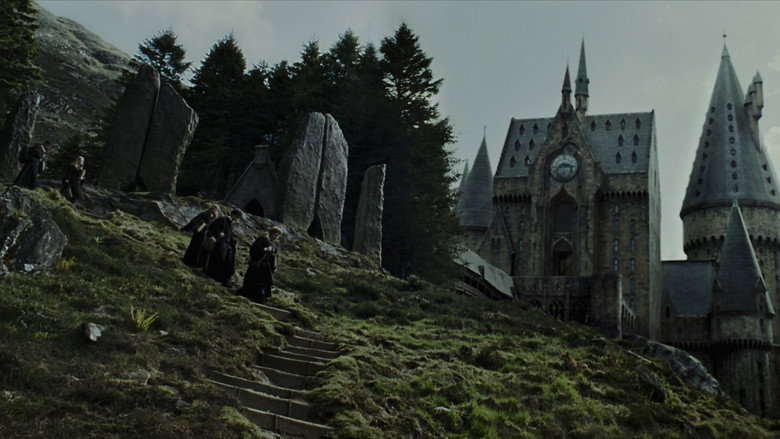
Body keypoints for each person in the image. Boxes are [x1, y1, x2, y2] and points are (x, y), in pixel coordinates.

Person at [238, 226, 283, 303]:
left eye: (278, 236)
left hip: (265, 269)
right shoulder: (262, 239)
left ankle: (259, 298)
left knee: (262, 285)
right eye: (275, 235)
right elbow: (254, 249)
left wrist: (274, 267)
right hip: (257, 266)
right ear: (271, 233)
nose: (276, 237)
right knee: (252, 282)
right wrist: (264, 249)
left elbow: (274, 257)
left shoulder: (274, 246)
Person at [204, 209, 242, 286]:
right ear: (233, 215)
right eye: (237, 217)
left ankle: (224, 279)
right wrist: (219, 232)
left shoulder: (231, 223)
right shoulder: (223, 219)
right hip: (220, 242)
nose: (237, 219)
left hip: (227, 245)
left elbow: (229, 236)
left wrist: (233, 245)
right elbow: (212, 226)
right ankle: (213, 275)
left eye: (238, 218)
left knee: (228, 262)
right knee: (219, 259)